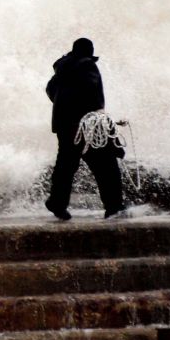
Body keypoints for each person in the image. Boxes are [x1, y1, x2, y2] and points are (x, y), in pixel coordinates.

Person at [44, 37, 126, 220]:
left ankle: (57, 202)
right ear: (89, 51)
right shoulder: (87, 64)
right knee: (106, 164)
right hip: (88, 125)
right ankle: (114, 207)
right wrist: (99, 115)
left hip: (64, 125)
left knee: (65, 166)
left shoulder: (61, 69)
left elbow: (50, 90)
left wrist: (65, 107)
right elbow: (91, 87)